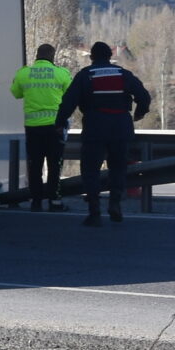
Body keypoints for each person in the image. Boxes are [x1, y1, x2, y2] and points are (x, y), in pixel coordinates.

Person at [56, 42, 151, 226]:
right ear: (109, 56)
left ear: (92, 57)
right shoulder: (123, 74)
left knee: (90, 170)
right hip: (120, 126)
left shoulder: (86, 75)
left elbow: (69, 101)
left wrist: (60, 122)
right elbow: (144, 96)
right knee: (118, 167)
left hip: (95, 126)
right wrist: (140, 112)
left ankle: (95, 211)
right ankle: (115, 203)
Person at [9, 44, 73, 211]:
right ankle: (55, 201)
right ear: (53, 57)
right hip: (55, 128)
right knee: (55, 165)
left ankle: (36, 202)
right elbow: (71, 96)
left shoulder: (23, 74)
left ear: (37, 55)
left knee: (34, 166)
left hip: (33, 128)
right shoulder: (62, 73)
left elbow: (16, 93)